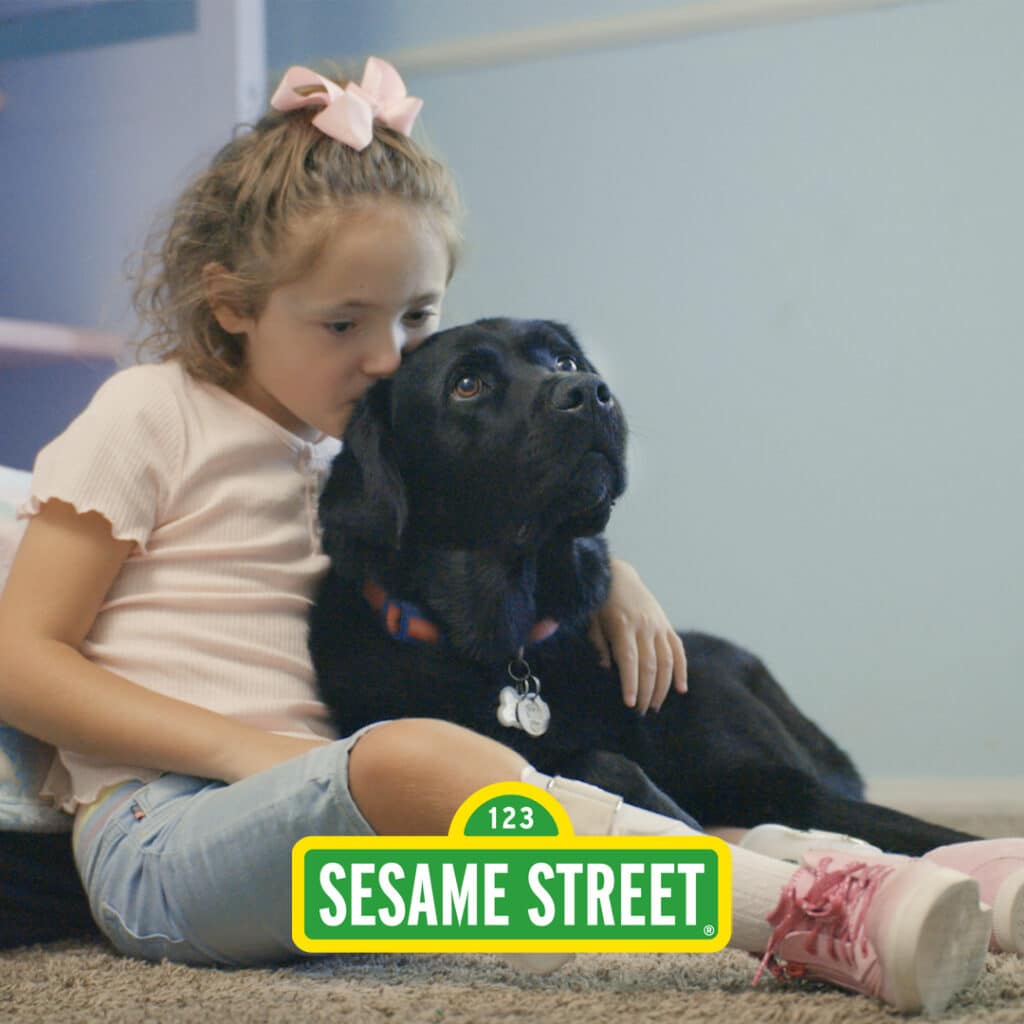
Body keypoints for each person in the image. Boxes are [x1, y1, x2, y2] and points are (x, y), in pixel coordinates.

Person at [0, 59, 1014, 1015]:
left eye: (416, 316)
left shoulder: (344, 453)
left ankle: (915, 887)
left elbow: (474, 527)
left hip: (347, 852)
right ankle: (794, 917)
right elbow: (20, 659)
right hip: (163, 847)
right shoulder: (150, 414)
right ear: (232, 306)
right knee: (425, 758)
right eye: (345, 325)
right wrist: (245, 748)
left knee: (564, 853)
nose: (388, 358)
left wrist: (604, 572)